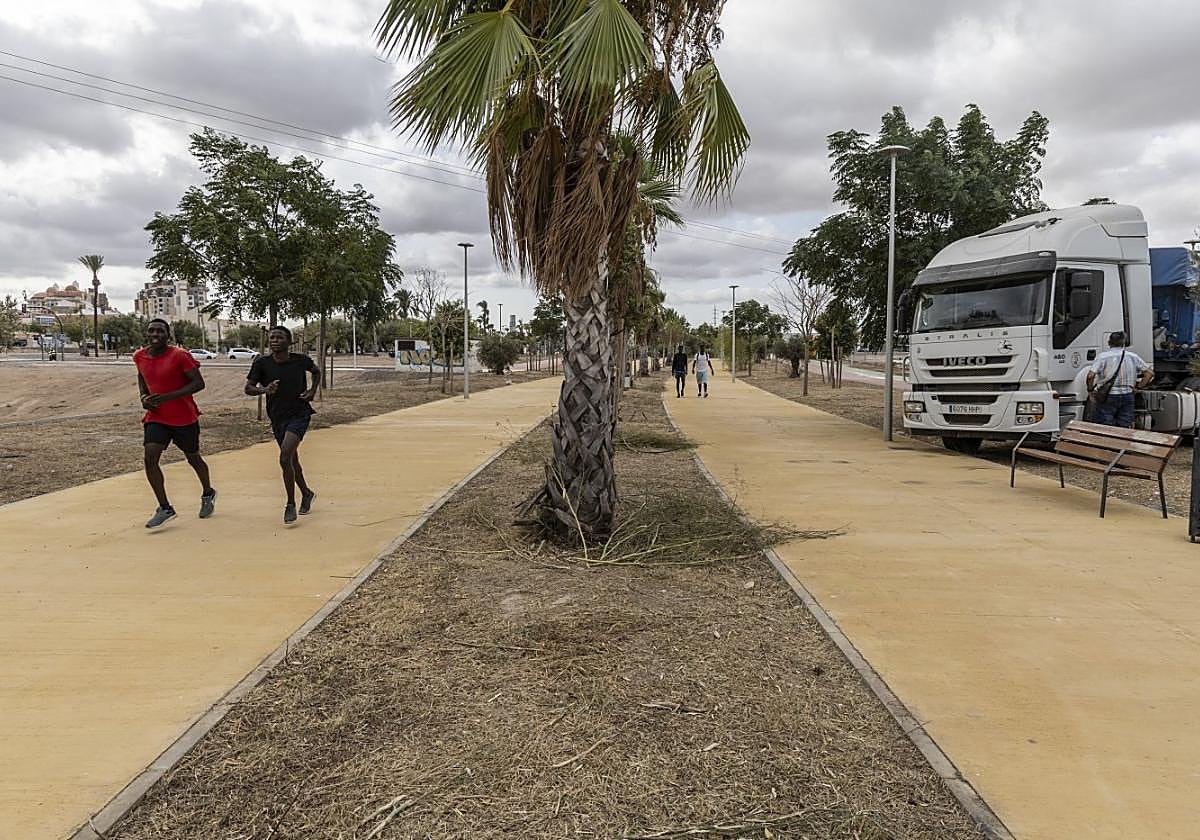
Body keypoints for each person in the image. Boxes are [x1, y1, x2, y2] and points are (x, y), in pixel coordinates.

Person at [133, 318, 216, 528]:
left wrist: (168, 397)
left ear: (168, 335)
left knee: (193, 458)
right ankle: (165, 508)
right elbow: (142, 377)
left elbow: (199, 383)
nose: (155, 335)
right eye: (151, 331)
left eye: (160, 331)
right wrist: (144, 397)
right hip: (157, 417)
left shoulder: (180, 356)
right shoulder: (139, 356)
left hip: (183, 418)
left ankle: (208, 493)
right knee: (150, 457)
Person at [245, 326, 320, 523]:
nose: (275, 340)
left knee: (285, 457)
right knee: (292, 460)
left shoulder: (300, 360)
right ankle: (307, 493)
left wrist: (312, 390)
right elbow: (248, 388)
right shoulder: (262, 363)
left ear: (289, 341)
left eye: (279, 337)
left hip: (299, 414)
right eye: (272, 338)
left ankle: (290, 504)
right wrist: (264, 390)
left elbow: (316, 371)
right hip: (277, 417)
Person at [1086, 330, 1153, 428]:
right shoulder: (1133, 356)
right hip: (1127, 395)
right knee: (1124, 427)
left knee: (1106, 427)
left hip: (1108, 396)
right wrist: (1138, 387)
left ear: (1109, 342)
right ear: (1124, 343)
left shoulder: (1103, 357)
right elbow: (1149, 374)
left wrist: (1090, 390)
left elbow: (1090, 376)